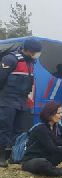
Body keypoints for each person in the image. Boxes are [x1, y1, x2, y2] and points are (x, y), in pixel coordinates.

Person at [0, 38, 42, 168]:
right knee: (4, 129)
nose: (37, 54)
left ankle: (14, 156)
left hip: (22, 101)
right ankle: (1, 157)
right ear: (29, 50)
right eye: (36, 51)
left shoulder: (30, 62)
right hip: (7, 100)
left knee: (19, 130)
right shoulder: (10, 59)